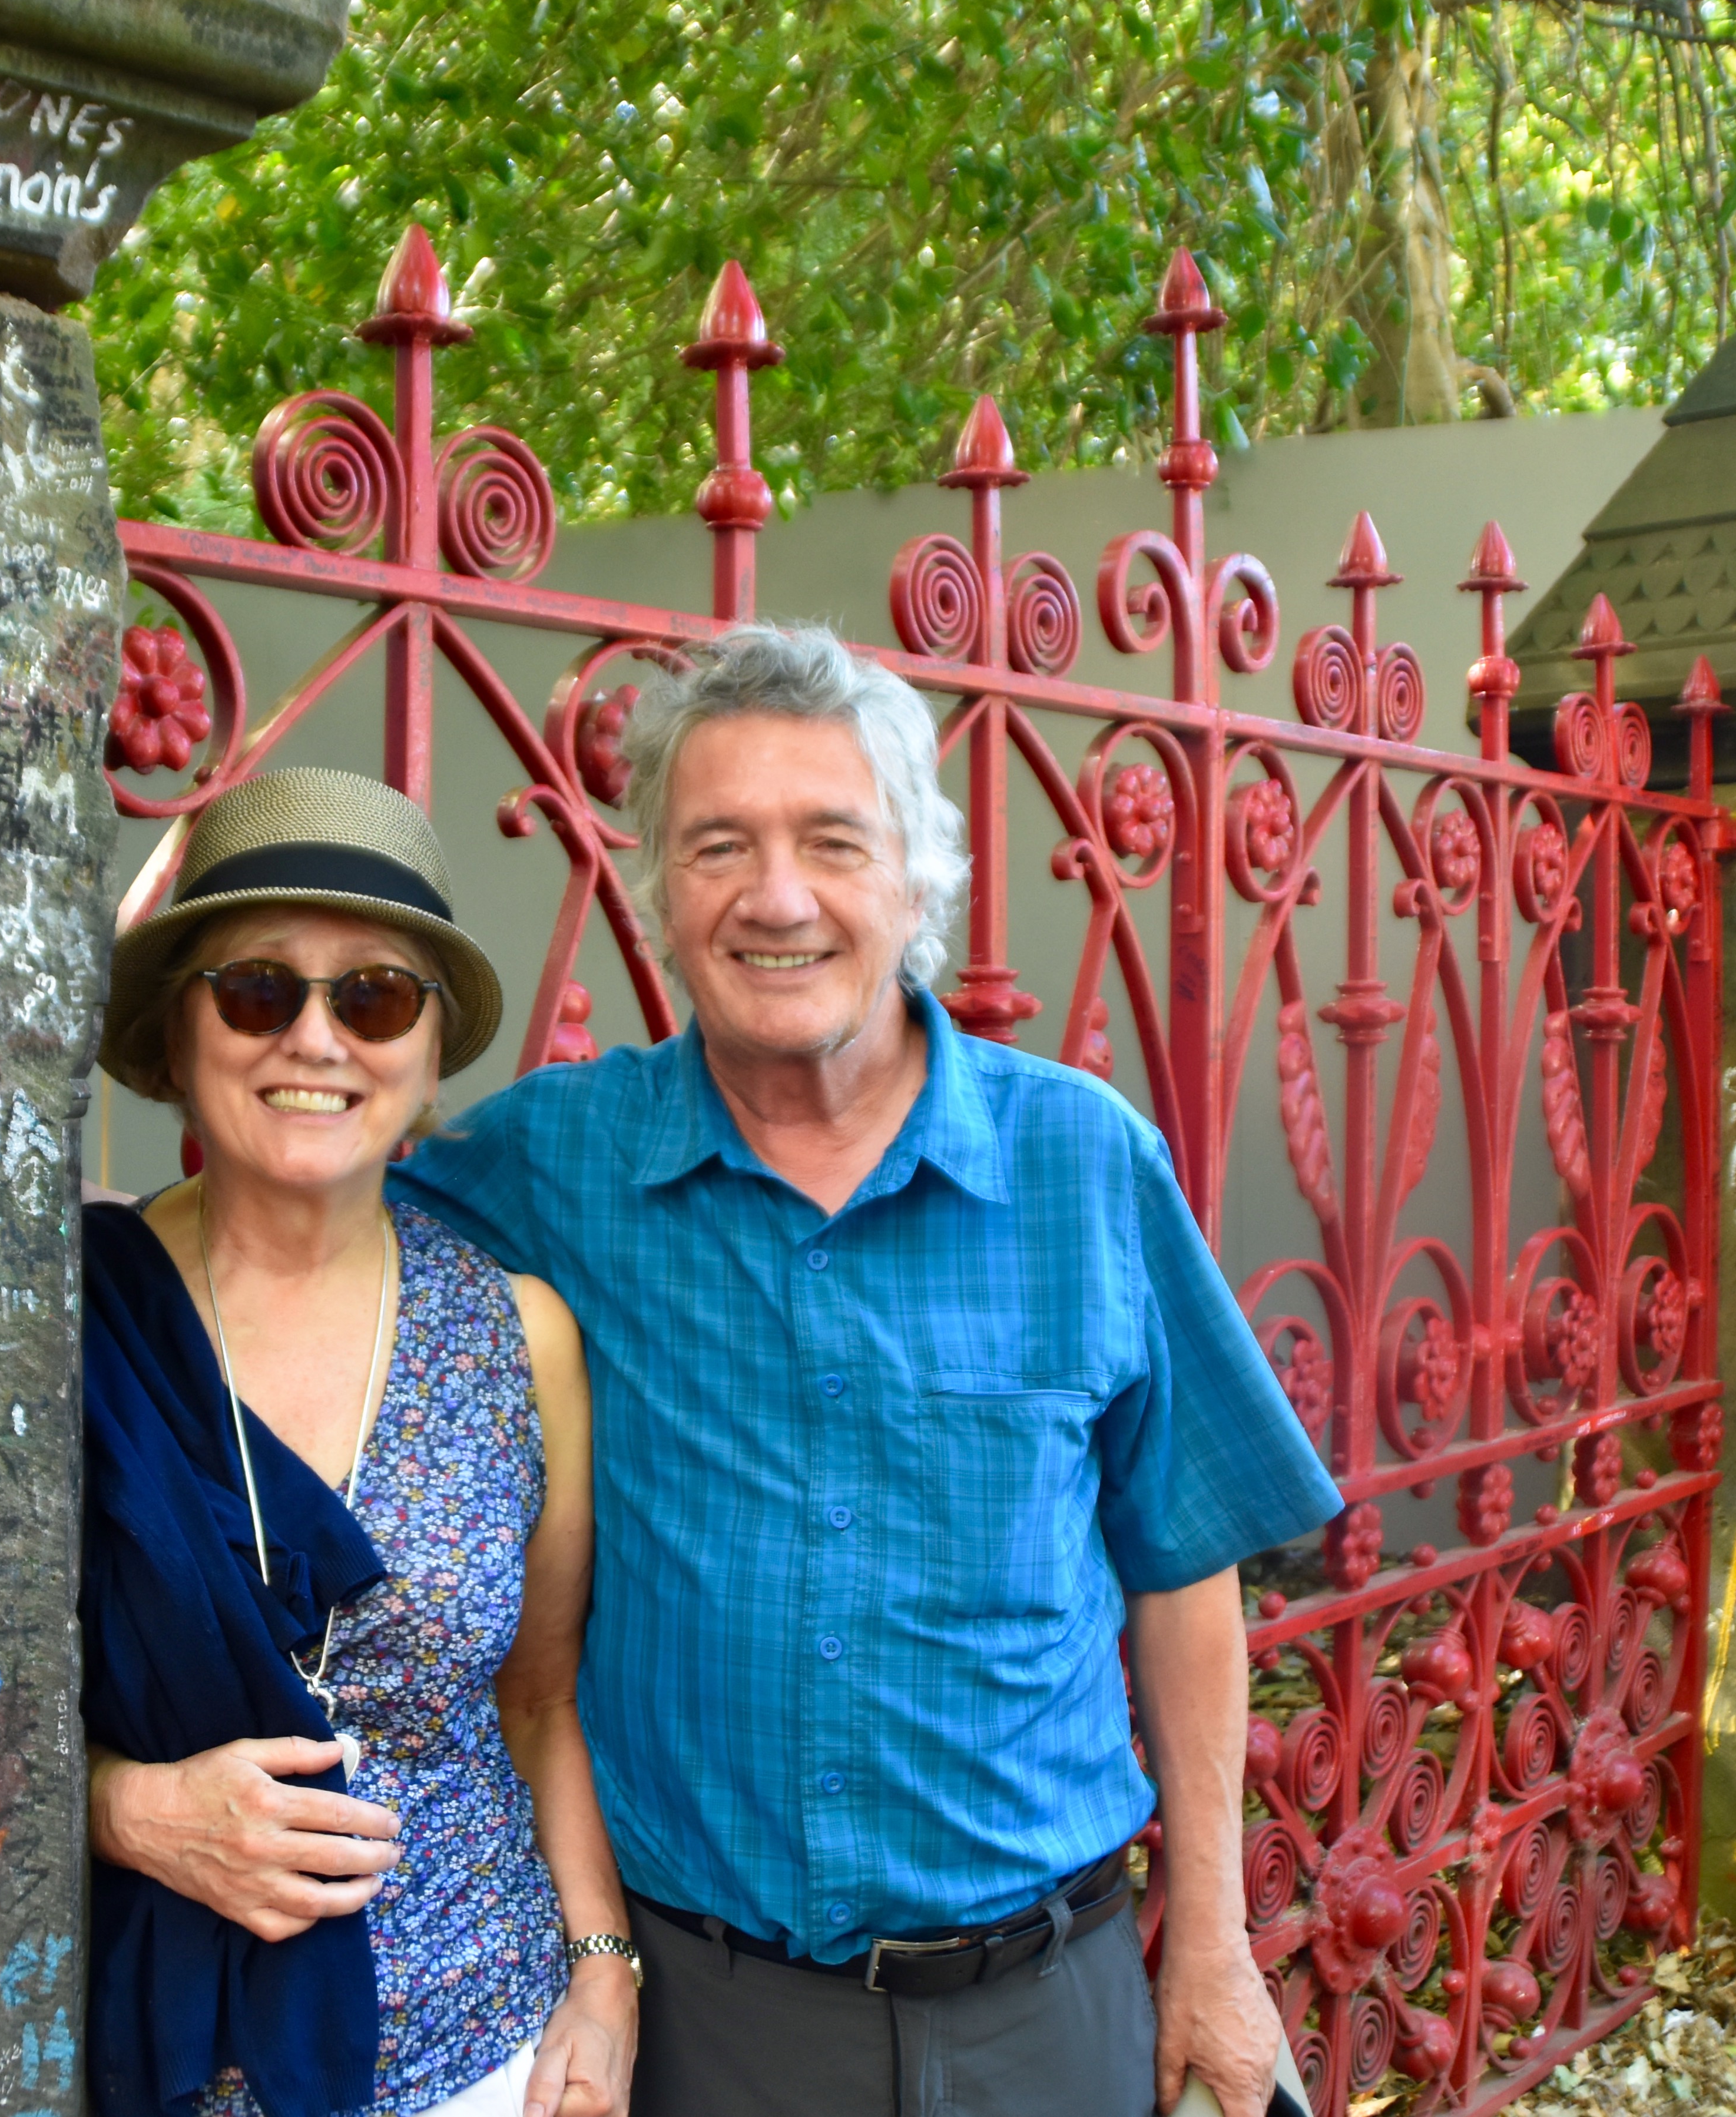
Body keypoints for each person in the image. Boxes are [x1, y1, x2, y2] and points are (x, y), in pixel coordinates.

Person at [388, 627, 1346, 2117]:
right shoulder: (552, 1164)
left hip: (1049, 2014)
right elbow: (300, 1216)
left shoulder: (1082, 1164)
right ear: (656, 893)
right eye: (718, 848)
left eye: (831, 841)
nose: (777, 899)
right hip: (704, 2025)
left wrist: (1211, 1950)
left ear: (920, 881)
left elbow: (1183, 1569)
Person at [79, 768, 640, 2117]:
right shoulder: (69, 1325)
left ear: (429, 1048)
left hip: (488, 2054)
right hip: (163, 2060)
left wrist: (605, 1980)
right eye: (258, 989)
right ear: (179, 1029)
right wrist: (126, 1811)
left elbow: (539, 1701)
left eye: (375, 995)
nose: (315, 1040)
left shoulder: (521, 1335)